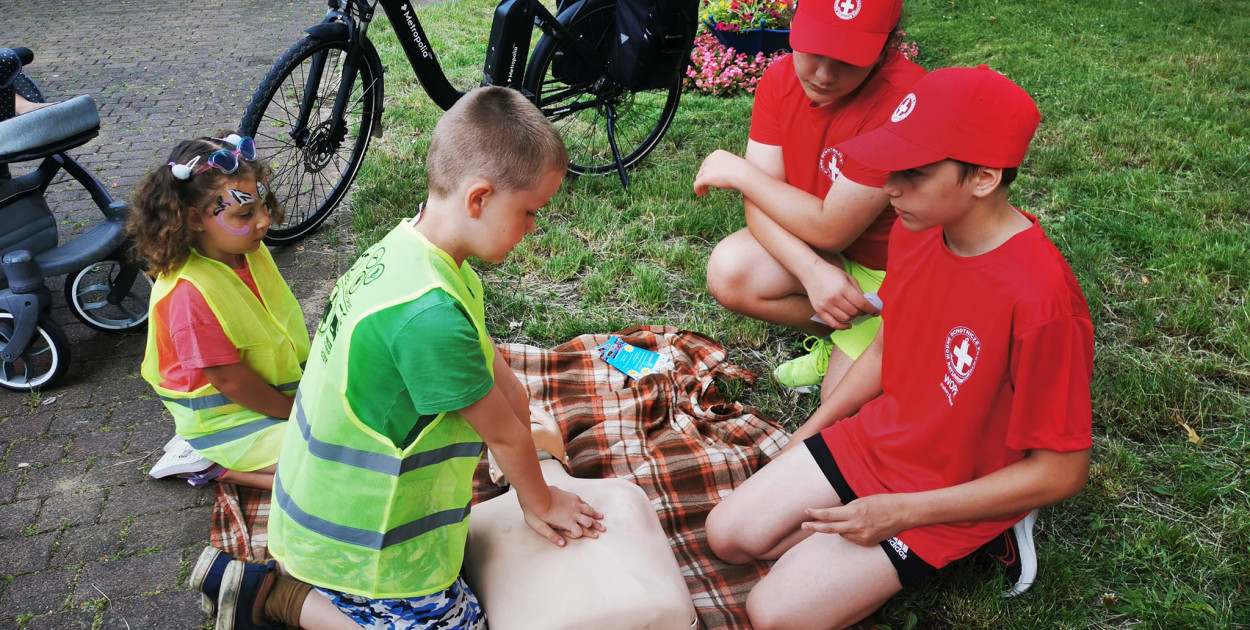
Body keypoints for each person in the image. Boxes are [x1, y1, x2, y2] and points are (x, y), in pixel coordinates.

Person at [194, 86, 605, 630]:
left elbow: (505, 391)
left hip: (328, 509)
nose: (532, 228)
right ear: (478, 198)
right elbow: (503, 435)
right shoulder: (427, 317)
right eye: (530, 212)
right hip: (365, 547)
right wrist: (542, 500)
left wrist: (530, 441)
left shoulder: (416, 254)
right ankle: (276, 598)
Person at [703, 66, 1095, 630]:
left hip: (954, 485)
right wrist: (810, 434)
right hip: (884, 440)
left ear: (983, 178)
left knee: (774, 615)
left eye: (913, 172)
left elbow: (1062, 472)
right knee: (729, 536)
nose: (890, 188)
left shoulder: (1042, 301)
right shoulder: (918, 231)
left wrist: (903, 513)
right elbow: (887, 353)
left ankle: (998, 522)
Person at [694, 0, 926, 395]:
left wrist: (741, 173)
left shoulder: (904, 100)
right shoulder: (781, 77)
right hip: (834, 254)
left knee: (842, 413)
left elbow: (831, 228)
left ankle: (897, 335)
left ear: (887, 48)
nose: (823, 74)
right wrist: (811, 271)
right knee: (731, 270)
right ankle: (851, 330)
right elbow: (761, 203)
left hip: (901, 272)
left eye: (848, 59)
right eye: (814, 49)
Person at [130, 134, 309, 491]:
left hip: (270, 399)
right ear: (196, 218)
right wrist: (299, 416)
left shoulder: (249, 251)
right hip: (226, 422)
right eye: (245, 213)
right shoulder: (189, 294)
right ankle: (209, 466)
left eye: (263, 206)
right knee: (329, 468)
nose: (263, 222)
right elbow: (228, 380)